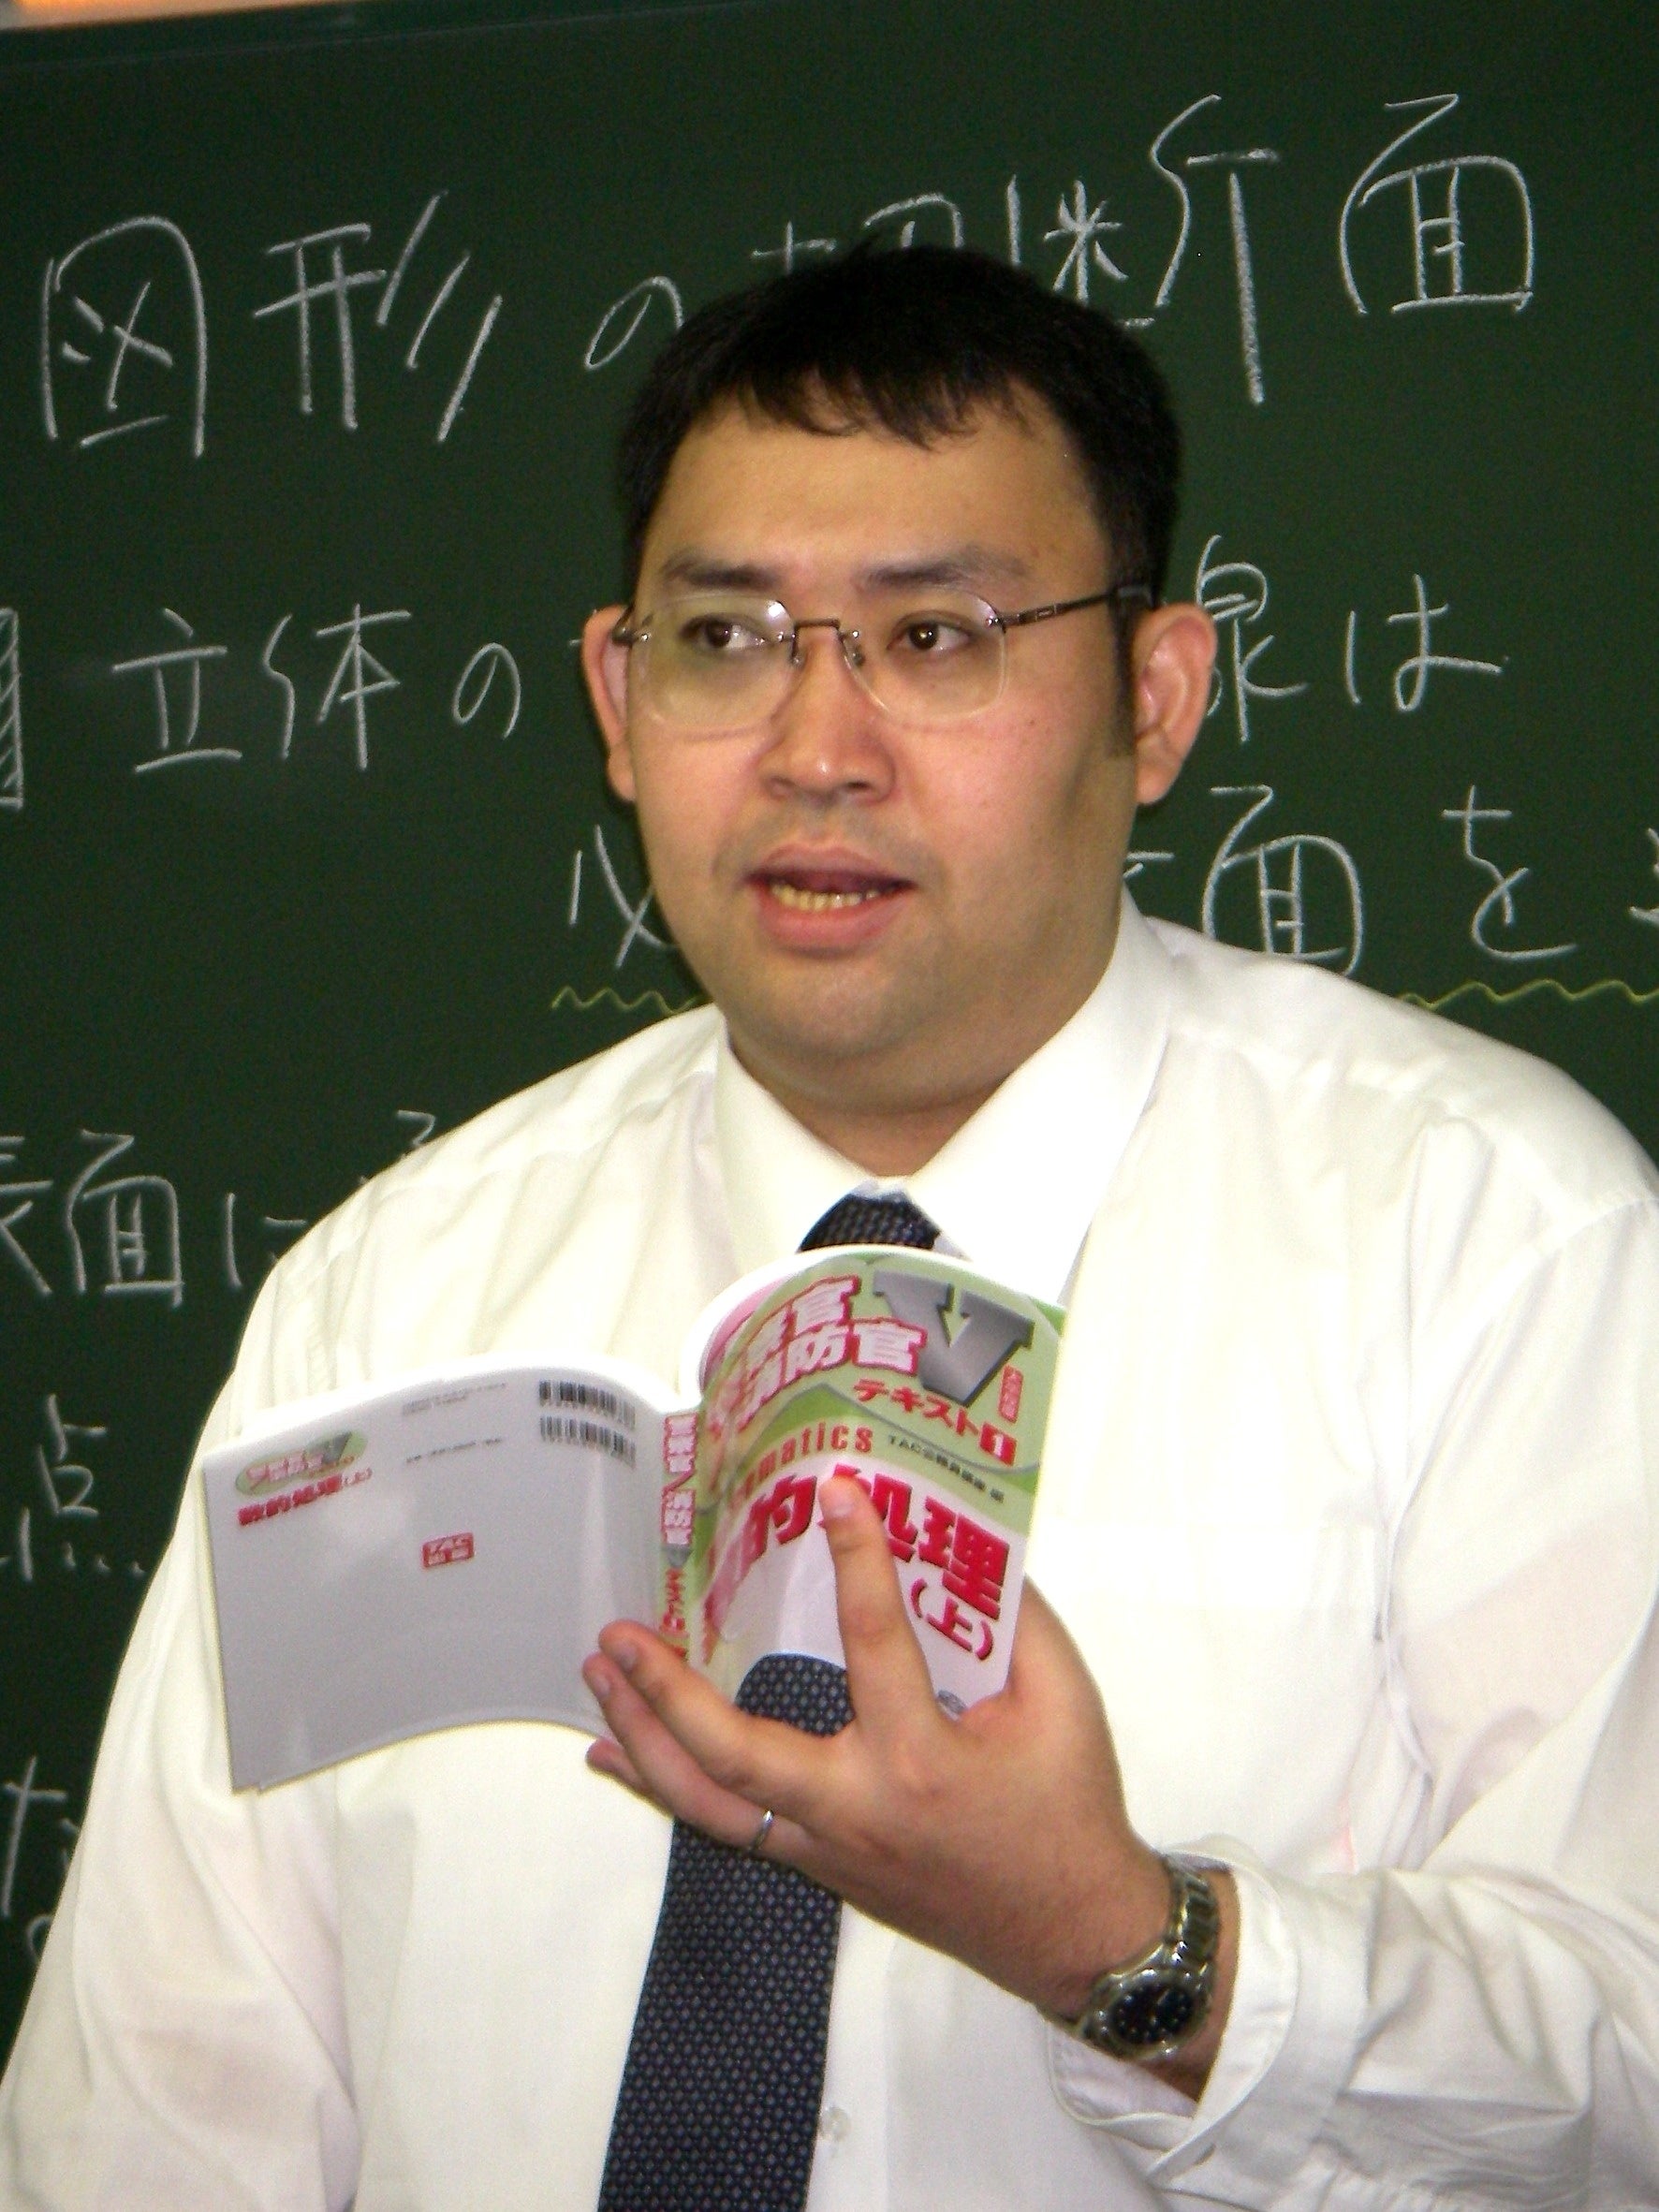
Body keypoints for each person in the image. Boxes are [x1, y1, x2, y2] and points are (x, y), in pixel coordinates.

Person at [3, 243, 1657, 2211]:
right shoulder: (390, 1293)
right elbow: (155, 2109)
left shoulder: (1494, 1239)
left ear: (1153, 701)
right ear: (618, 701)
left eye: (935, 636)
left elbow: (1630, 2061)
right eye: (726, 638)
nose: (815, 747)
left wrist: (1128, 1946)